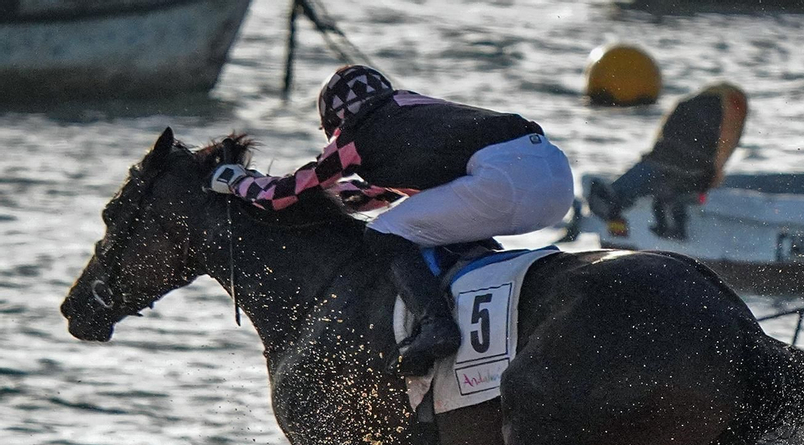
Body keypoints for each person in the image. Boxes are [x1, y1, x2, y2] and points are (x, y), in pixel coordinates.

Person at [209, 65, 575, 376]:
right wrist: (342, 198)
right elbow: (395, 191)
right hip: (555, 177)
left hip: (506, 181)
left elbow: (282, 194)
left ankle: (437, 326)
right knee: (437, 223)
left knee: (384, 232)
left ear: (336, 120)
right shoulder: (413, 109)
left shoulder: (356, 131)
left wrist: (237, 181)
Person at [585, 83, 748, 233]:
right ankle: (668, 214)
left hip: (664, 158)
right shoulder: (731, 103)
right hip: (690, 167)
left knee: (653, 172)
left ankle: (614, 200)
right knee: (674, 179)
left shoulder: (689, 103)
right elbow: (727, 138)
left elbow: (662, 135)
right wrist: (715, 172)